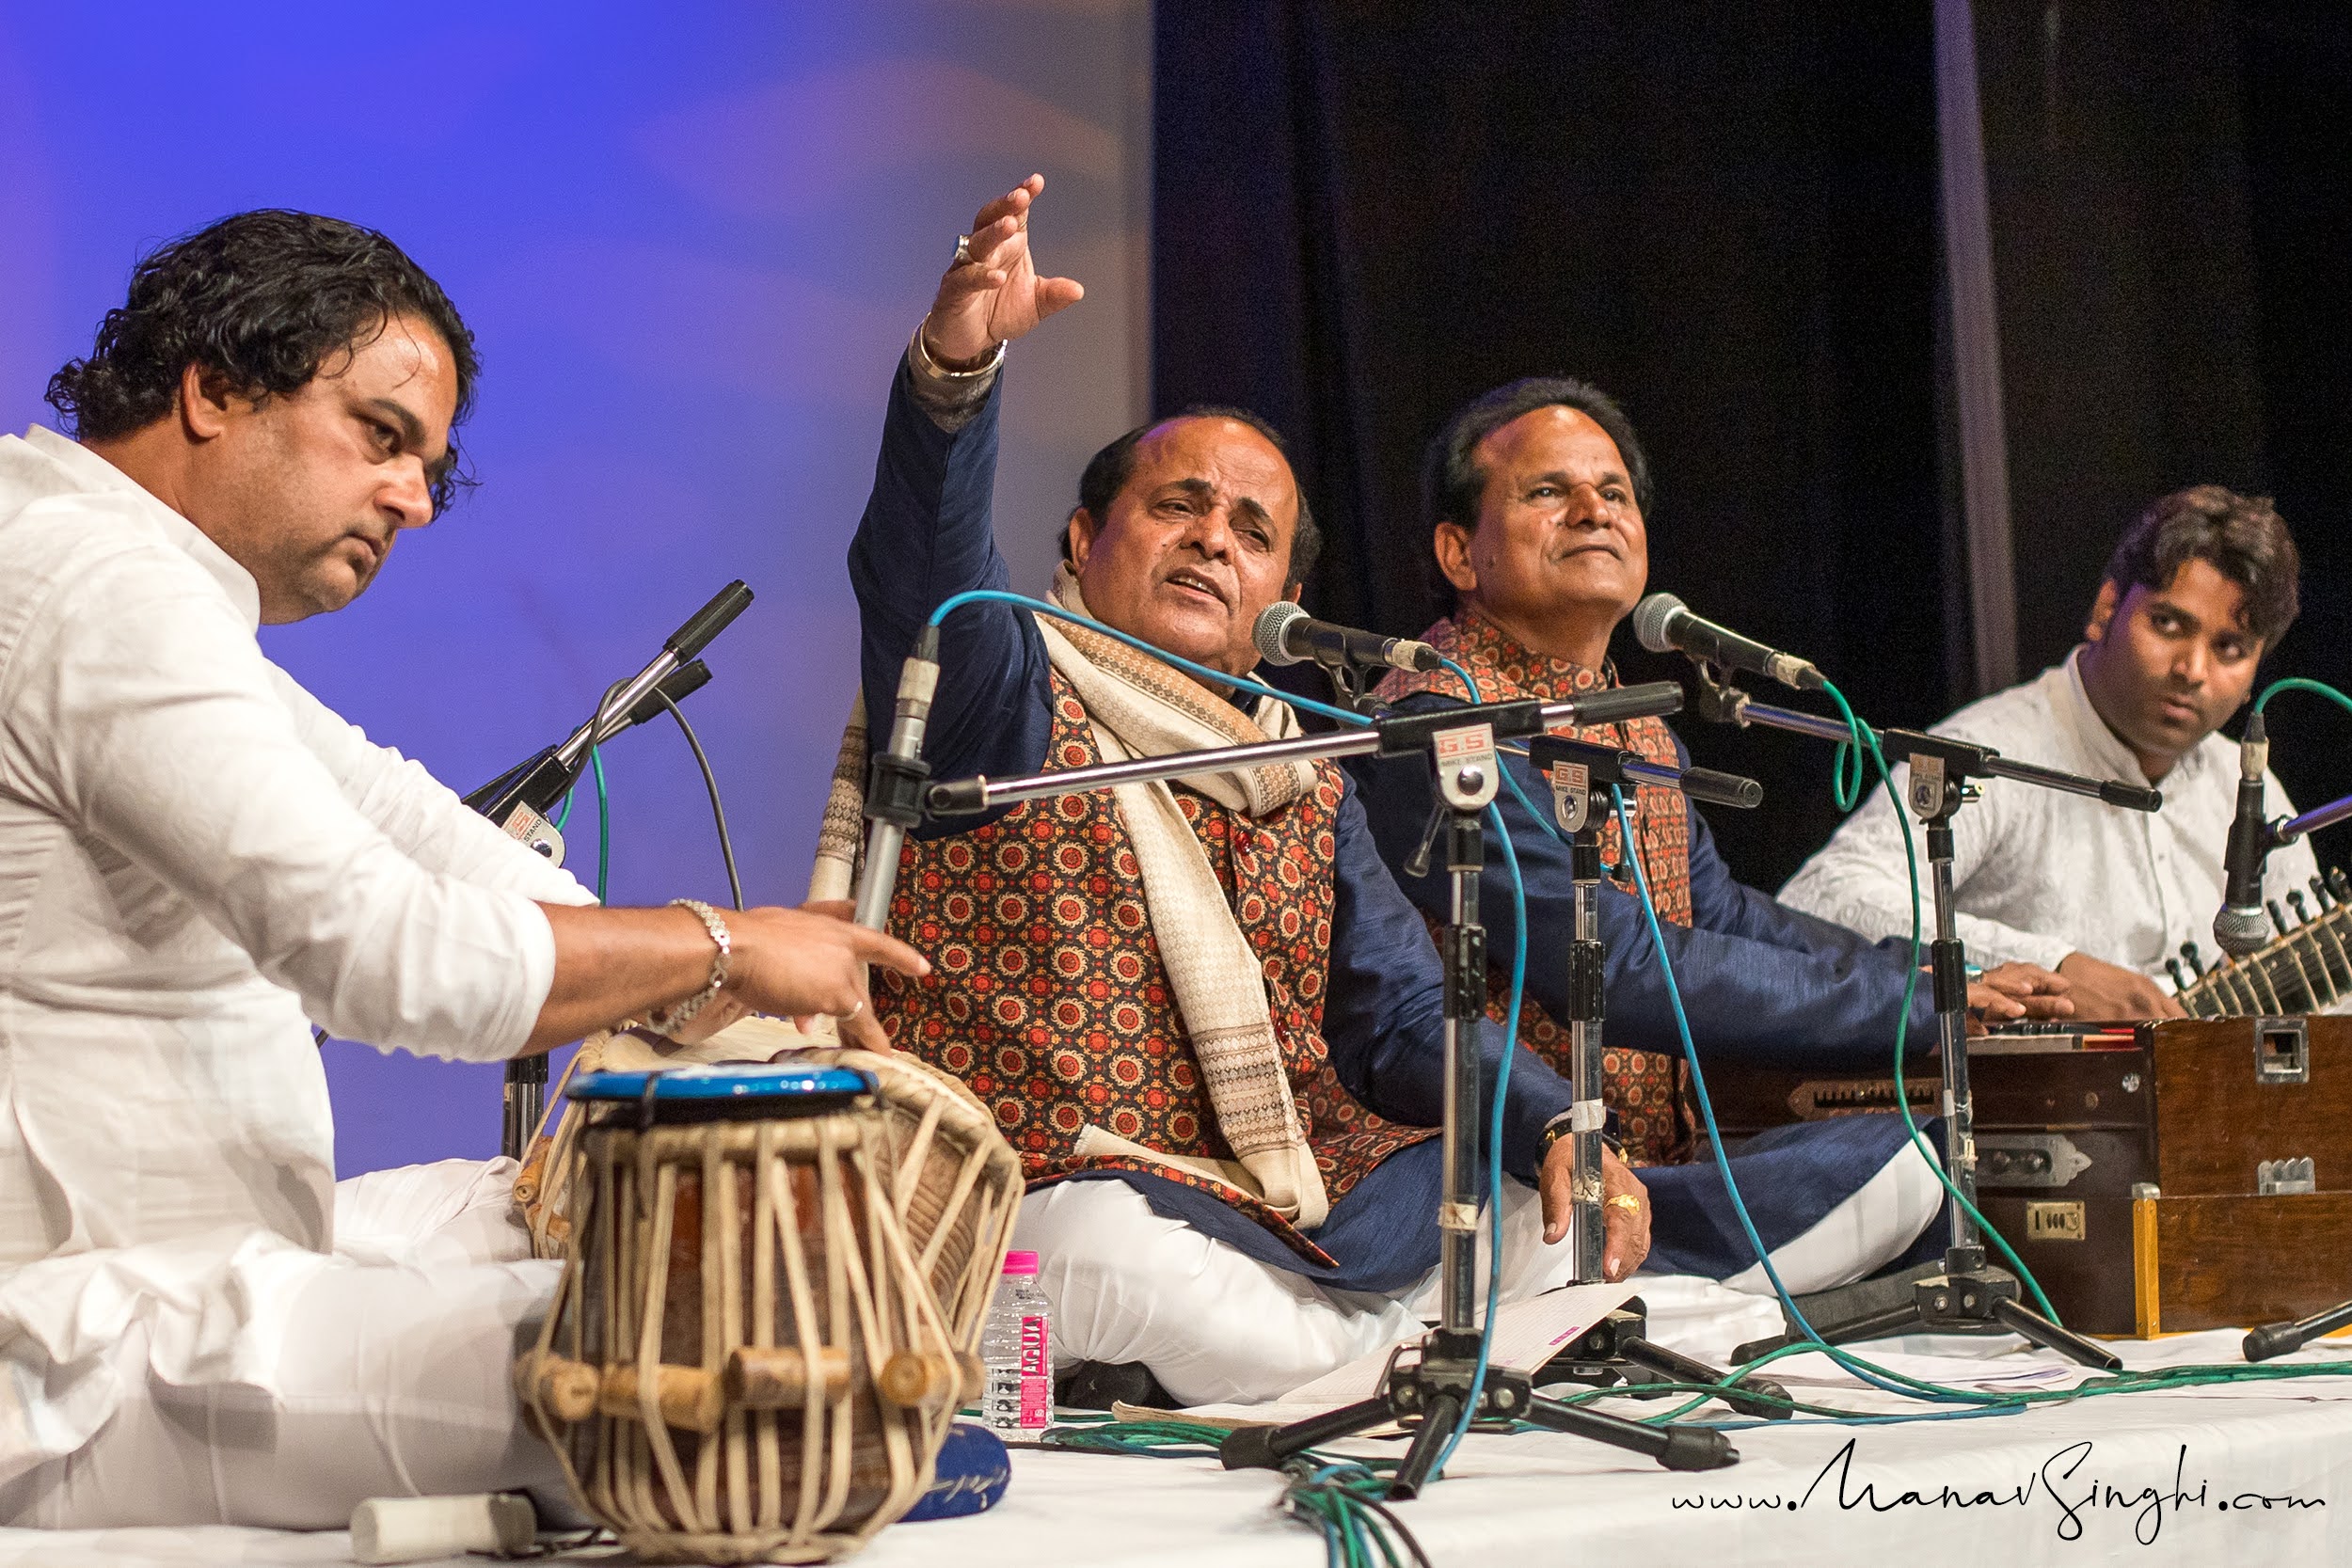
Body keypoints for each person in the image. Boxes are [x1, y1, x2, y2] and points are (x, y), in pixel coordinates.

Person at [0, 210, 925, 1528]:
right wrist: (722, 946)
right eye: (380, 436)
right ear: (212, 388)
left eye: (427, 463)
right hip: (72, 1352)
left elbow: (410, 826)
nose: (417, 500)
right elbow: (378, 949)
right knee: (720, 1338)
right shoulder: (93, 586)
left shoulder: (117, 569)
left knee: (582, 1208)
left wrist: (672, 990)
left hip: (193, 1277)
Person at [834, 179, 1654, 1408]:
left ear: (1279, 594)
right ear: (1078, 542)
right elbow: (923, 558)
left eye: (1252, 528)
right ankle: (1386, 1362)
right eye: (1179, 506)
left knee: (1546, 1219)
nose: (1216, 538)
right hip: (1066, 1188)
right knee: (1101, 1251)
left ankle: (1333, 1362)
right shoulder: (1001, 684)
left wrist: (1552, 1122)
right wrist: (956, 373)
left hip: (1280, 1194)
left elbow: (1399, 1017)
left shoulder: (1305, 762)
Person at [1350, 376, 2072, 1285]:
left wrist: (1921, 973)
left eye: (1614, 493)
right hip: (1497, 1183)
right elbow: (1611, 961)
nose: (1593, 512)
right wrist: (1910, 1008)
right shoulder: (1439, 723)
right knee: (1905, 1166)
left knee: (1936, 1149)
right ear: (1461, 552)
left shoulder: (1635, 723)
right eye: (1548, 492)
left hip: (1651, 1175)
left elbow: (1725, 916)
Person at [1781, 486, 2318, 1020]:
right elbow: (1822, 901)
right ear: (2107, 610)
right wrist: (2054, 966)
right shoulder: (1991, 755)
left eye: (2229, 649)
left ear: (2254, 676)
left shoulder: (2246, 785)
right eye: (2168, 624)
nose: (2192, 670)